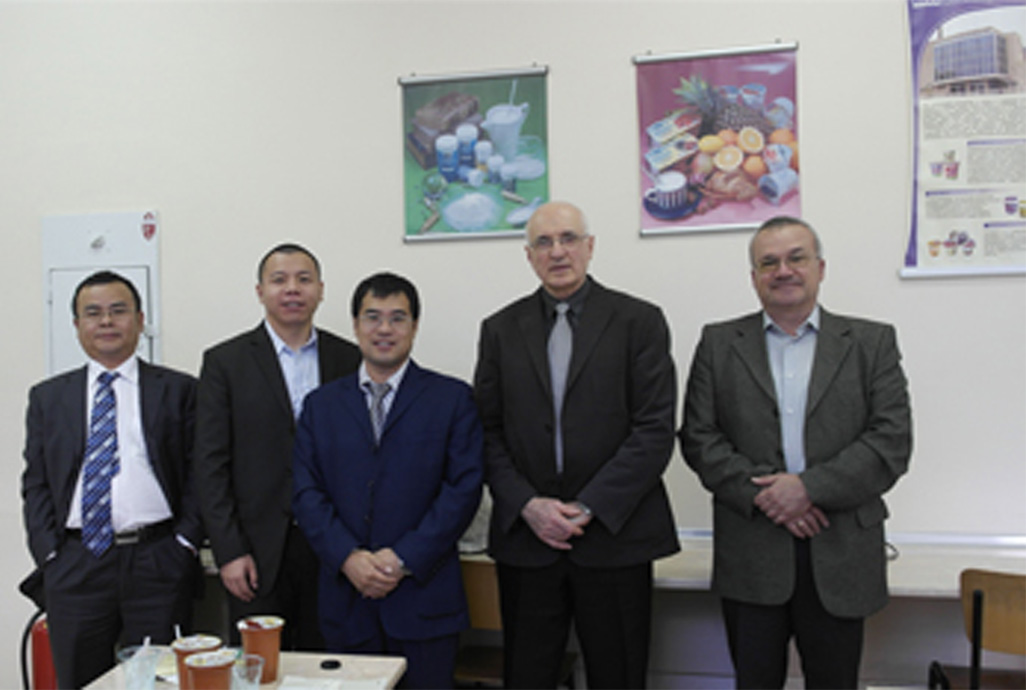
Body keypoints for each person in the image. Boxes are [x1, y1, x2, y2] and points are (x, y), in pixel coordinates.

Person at [679, 216, 913, 689]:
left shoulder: (872, 343)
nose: (783, 270)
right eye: (769, 262)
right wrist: (770, 496)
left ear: (820, 268)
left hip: (841, 549)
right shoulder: (719, 344)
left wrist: (807, 489)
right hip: (752, 551)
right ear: (754, 277)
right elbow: (700, 438)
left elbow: (891, 440)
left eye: (796, 258)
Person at [474, 201, 680, 689]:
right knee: (528, 678)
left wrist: (589, 506)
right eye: (544, 243)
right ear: (529, 256)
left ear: (590, 247)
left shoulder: (639, 321)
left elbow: (654, 429)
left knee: (618, 677)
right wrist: (528, 506)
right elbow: (485, 431)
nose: (557, 252)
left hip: (615, 537)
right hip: (529, 544)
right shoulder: (500, 330)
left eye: (568, 239)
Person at [292, 272, 483, 689]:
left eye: (397, 318)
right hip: (346, 600)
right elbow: (306, 492)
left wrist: (401, 559)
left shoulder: (452, 399)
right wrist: (348, 557)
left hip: (424, 601)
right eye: (372, 317)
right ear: (355, 324)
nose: (384, 329)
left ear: (415, 326)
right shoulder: (321, 405)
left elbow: (462, 490)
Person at [21, 270, 202, 689]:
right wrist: (50, 555)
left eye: (118, 311)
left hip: (158, 560)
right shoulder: (48, 397)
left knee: (157, 682)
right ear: (76, 325)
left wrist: (185, 544)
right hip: (76, 564)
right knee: (80, 681)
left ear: (139, 320)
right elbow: (36, 483)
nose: (106, 321)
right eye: (93, 313)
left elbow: (200, 474)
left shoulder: (180, 390)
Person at [194, 243, 361, 650]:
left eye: (304, 280)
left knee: (330, 663)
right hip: (256, 551)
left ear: (320, 290)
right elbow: (210, 465)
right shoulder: (225, 362)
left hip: (334, 546)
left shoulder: (349, 359)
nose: (292, 289)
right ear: (260, 291)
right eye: (279, 280)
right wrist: (229, 551)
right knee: (262, 667)